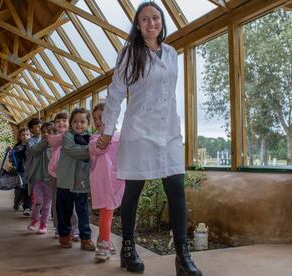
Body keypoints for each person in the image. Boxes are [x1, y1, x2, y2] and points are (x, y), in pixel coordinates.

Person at [96, 2, 202, 275]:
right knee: (133, 191)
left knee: (176, 189)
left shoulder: (170, 52)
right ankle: (128, 248)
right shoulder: (130, 54)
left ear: (162, 22)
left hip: (168, 132)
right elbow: (116, 92)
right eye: (145, 19)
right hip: (139, 132)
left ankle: (182, 256)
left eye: (155, 17)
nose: (151, 23)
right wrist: (108, 131)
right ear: (138, 25)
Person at [89, 102, 125, 261]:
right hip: (102, 181)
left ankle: (104, 240)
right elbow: (97, 148)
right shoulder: (95, 138)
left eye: (102, 117)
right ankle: (103, 244)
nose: (98, 121)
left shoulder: (122, 137)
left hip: (118, 180)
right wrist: (107, 137)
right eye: (95, 118)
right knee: (106, 210)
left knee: (109, 211)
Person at [56, 107, 95, 251]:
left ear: (88, 124)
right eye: (75, 121)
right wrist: (90, 150)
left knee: (83, 211)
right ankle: (64, 236)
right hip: (66, 181)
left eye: (82, 121)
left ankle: (86, 238)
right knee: (64, 211)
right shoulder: (67, 137)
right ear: (71, 123)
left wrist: (91, 148)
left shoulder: (91, 138)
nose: (79, 124)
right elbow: (72, 150)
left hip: (82, 182)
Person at [47, 112, 80, 240]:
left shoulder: (73, 137)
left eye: (64, 120)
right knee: (57, 204)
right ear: (55, 125)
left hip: (71, 175)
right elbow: (56, 140)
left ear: (69, 123)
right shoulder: (53, 138)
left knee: (73, 203)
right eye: (58, 121)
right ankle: (58, 228)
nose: (61, 123)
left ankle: (74, 229)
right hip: (55, 175)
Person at [26, 122, 54, 234]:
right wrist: (45, 141)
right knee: (38, 201)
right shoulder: (37, 144)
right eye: (43, 132)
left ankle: (43, 224)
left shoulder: (55, 147)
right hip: (37, 179)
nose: (45, 134)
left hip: (50, 180)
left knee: (47, 204)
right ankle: (34, 220)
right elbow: (35, 151)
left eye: (49, 132)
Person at [22, 118, 43, 217]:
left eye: (41, 125)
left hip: (43, 171)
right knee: (31, 189)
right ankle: (28, 207)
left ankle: (42, 210)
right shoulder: (30, 141)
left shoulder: (45, 139)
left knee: (43, 190)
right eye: (37, 126)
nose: (40, 128)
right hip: (32, 170)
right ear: (31, 129)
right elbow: (35, 151)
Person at [10, 128, 31, 212]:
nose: (25, 136)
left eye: (27, 134)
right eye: (23, 135)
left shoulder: (32, 146)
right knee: (19, 189)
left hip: (30, 171)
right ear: (19, 136)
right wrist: (10, 153)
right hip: (20, 171)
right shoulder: (17, 147)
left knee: (28, 189)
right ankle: (17, 202)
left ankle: (27, 206)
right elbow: (11, 159)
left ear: (30, 135)